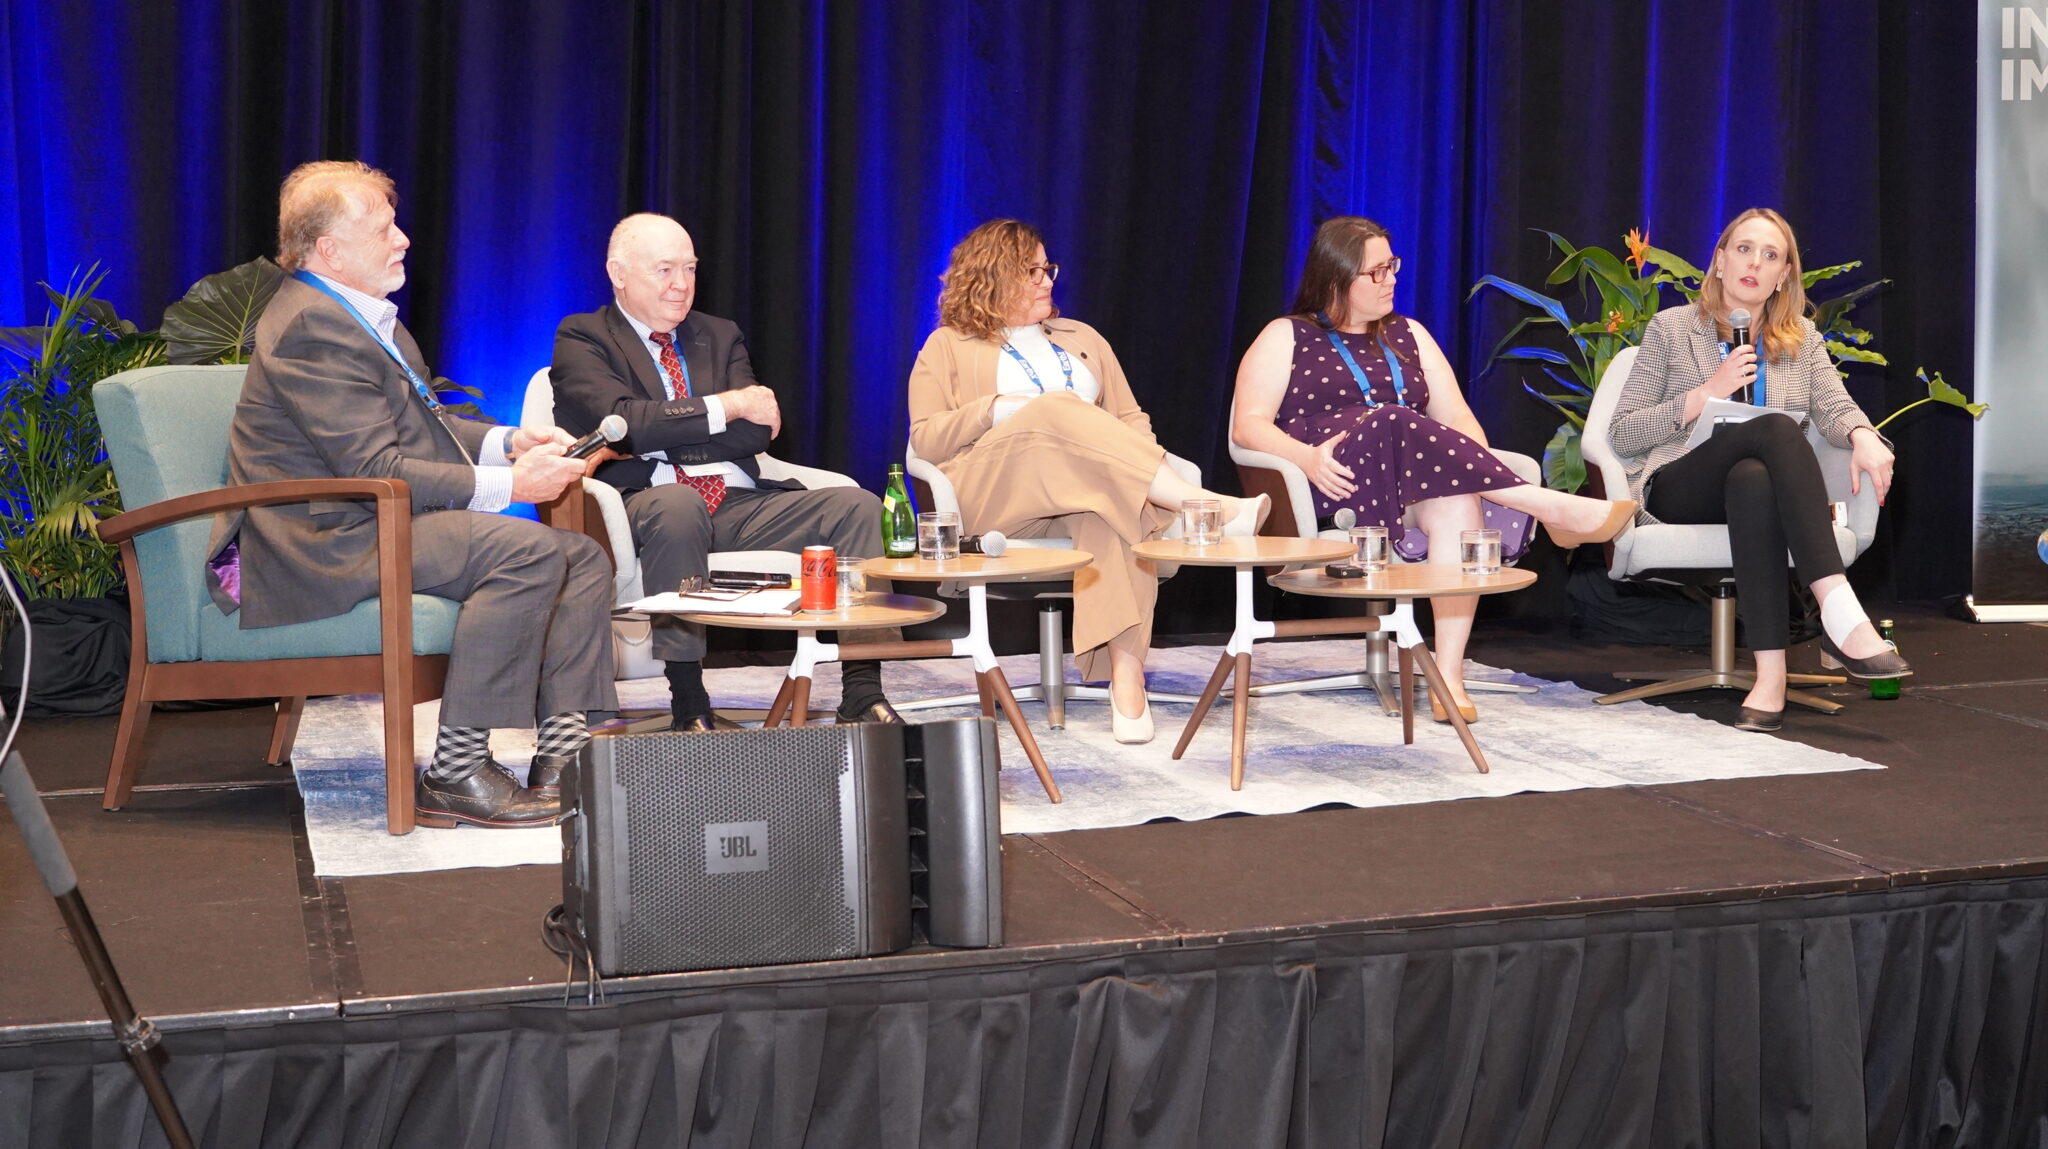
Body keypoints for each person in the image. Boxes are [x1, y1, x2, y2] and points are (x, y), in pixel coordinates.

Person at [207, 160, 616, 828]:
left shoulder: (364, 318)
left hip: (368, 518)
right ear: (330, 249)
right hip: (319, 540)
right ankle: (457, 771)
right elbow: (372, 464)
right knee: (530, 552)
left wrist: (510, 441)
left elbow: (422, 426)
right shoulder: (312, 326)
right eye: (382, 229)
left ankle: (564, 756)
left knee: (584, 557)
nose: (402, 239)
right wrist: (513, 486)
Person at [1232, 216, 1636, 724]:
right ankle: (1543, 504)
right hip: (1333, 484)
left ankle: (1448, 675)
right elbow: (1247, 426)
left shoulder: (1410, 335)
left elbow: (1459, 419)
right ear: (1335, 279)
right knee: (1392, 418)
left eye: (1392, 266)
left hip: (1409, 485)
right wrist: (1308, 458)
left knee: (1456, 499)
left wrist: (1471, 471)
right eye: (1377, 272)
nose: (1391, 280)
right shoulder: (1288, 334)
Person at [908, 219, 1267, 745]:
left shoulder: (1083, 338)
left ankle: (1127, 680)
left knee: (1110, 509)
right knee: (1057, 408)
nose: (1047, 280)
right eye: (1032, 271)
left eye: (1047, 269)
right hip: (994, 495)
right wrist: (996, 409)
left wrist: (1138, 466)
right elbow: (925, 439)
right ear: (993, 277)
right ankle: (1201, 507)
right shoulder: (946, 346)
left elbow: (1129, 419)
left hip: (1075, 489)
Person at [551, 213, 902, 730]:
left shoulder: (719, 334)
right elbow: (622, 423)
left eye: (690, 268)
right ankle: (689, 701)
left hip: (740, 504)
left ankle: (863, 690)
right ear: (618, 274)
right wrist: (727, 406)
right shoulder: (583, 336)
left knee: (858, 505)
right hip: (645, 507)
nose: (681, 283)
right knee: (679, 504)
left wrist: (657, 438)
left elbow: (754, 435)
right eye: (665, 269)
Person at [1606, 207, 1909, 731]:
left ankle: (1771, 679)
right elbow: (1623, 432)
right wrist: (1706, 394)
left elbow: (1835, 408)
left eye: (1771, 256)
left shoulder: (1802, 339)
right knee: (1776, 429)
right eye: (1744, 249)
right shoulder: (1672, 329)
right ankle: (1838, 609)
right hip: (1680, 488)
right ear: (1720, 260)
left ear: (1783, 276)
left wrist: (1863, 436)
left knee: (1754, 478)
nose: (1754, 263)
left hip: (1753, 494)